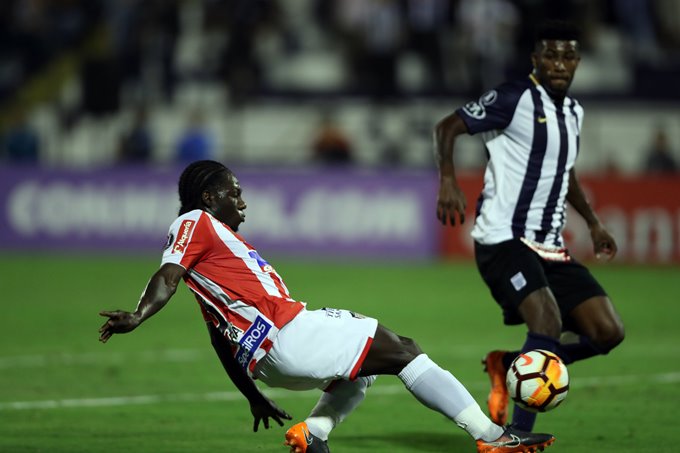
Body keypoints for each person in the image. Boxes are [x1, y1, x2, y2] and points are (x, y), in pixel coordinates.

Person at [99, 160, 556, 453]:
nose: (242, 201)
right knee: (405, 350)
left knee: (361, 372)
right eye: (234, 192)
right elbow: (167, 275)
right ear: (208, 197)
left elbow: (220, 340)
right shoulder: (194, 222)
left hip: (265, 361)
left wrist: (254, 395)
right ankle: (492, 436)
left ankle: (313, 433)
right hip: (287, 334)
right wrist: (139, 314)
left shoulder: (216, 264)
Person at [433, 21, 625, 433]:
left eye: (568, 56)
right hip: (503, 239)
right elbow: (447, 126)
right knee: (547, 323)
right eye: (551, 55)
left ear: (577, 61)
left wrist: (593, 223)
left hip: (550, 246)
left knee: (607, 332)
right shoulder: (513, 97)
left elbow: (564, 171)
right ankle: (517, 435)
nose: (559, 64)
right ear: (536, 59)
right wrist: (448, 180)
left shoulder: (574, 113)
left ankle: (511, 366)